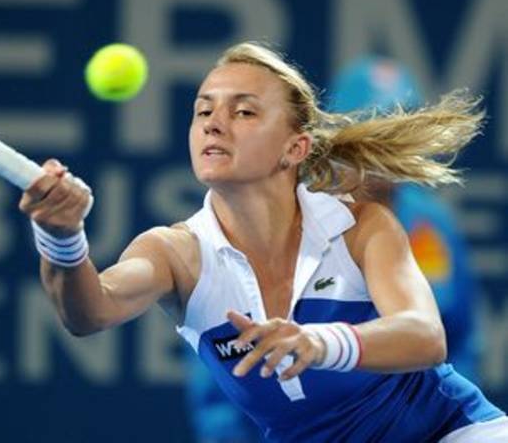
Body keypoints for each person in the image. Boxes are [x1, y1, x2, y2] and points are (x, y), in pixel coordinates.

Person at [19, 42, 507, 441]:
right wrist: (62, 237)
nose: (213, 122)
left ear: (294, 148)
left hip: (453, 431)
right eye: (203, 110)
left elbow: (426, 336)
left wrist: (319, 341)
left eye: (244, 111)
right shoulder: (174, 253)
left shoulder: (360, 225)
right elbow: (89, 313)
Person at [180, 56, 484, 443]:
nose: (382, 148)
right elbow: (224, 368)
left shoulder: (430, 223)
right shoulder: (284, 216)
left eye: (395, 128)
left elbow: (458, 336)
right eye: (371, 126)